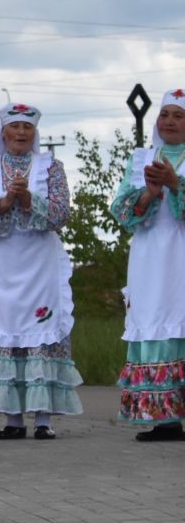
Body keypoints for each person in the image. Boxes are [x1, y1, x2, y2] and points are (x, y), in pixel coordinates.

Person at [0, 103, 83, 438]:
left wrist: (28, 200)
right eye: (16, 127)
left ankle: (43, 419)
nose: (22, 133)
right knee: (4, 331)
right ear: (4, 132)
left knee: (40, 333)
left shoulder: (51, 167)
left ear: (34, 132)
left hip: (38, 263)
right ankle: (12, 419)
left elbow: (61, 214)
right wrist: (5, 201)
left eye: (28, 127)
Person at [111, 87, 185, 441]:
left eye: (179, 116)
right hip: (151, 257)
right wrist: (150, 194)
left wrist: (177, 184)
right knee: (154, 322)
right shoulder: (142, 158)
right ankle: (165, 419)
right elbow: (123, 213)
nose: (169, 121)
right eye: (165, 114)